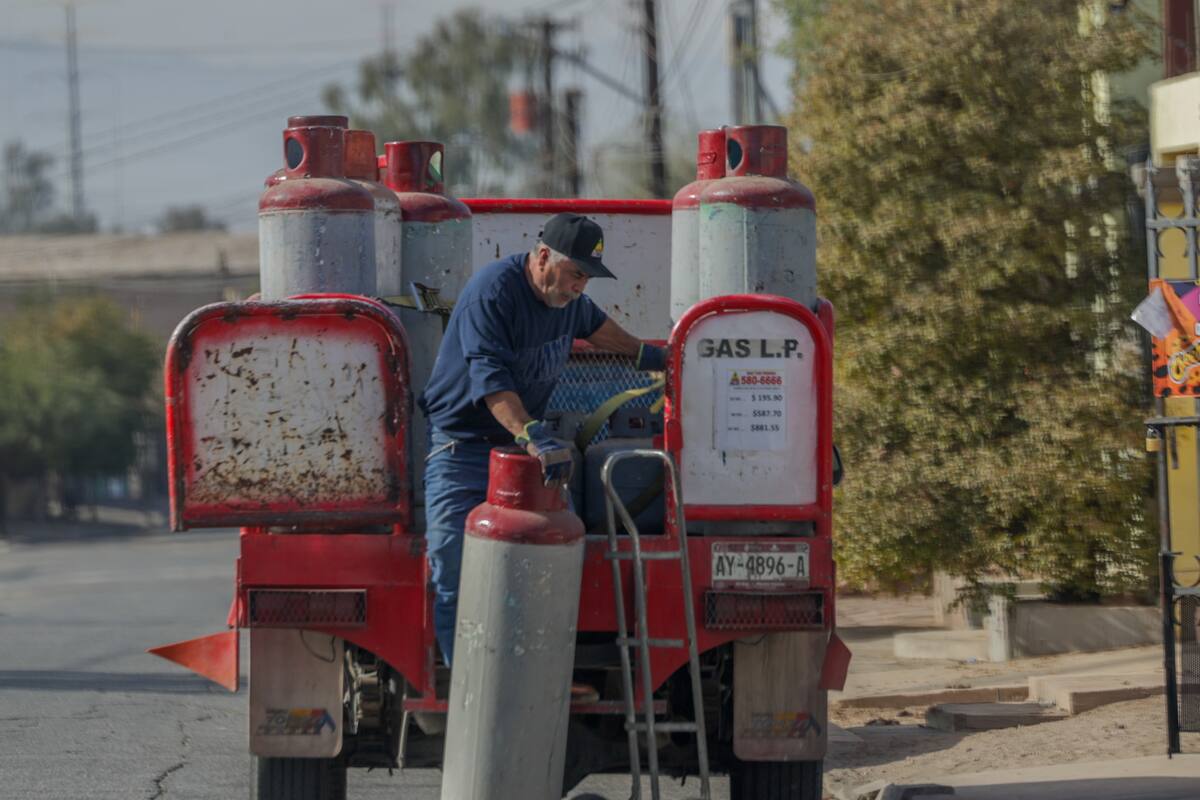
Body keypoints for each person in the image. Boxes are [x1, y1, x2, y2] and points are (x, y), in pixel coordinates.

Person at [419, 212, 665, 666]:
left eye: (587, 278)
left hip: (525, 449)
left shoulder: (568, 299)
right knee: (453, 566)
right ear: (543, 256)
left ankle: (540, 679)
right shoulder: (493, 295)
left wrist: (648, 354)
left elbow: (596, 327)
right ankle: (463, 691)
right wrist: (534, 434)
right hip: (463, 450)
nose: (580, 287)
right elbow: (491, 382)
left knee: (558, 563)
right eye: (576, 274)